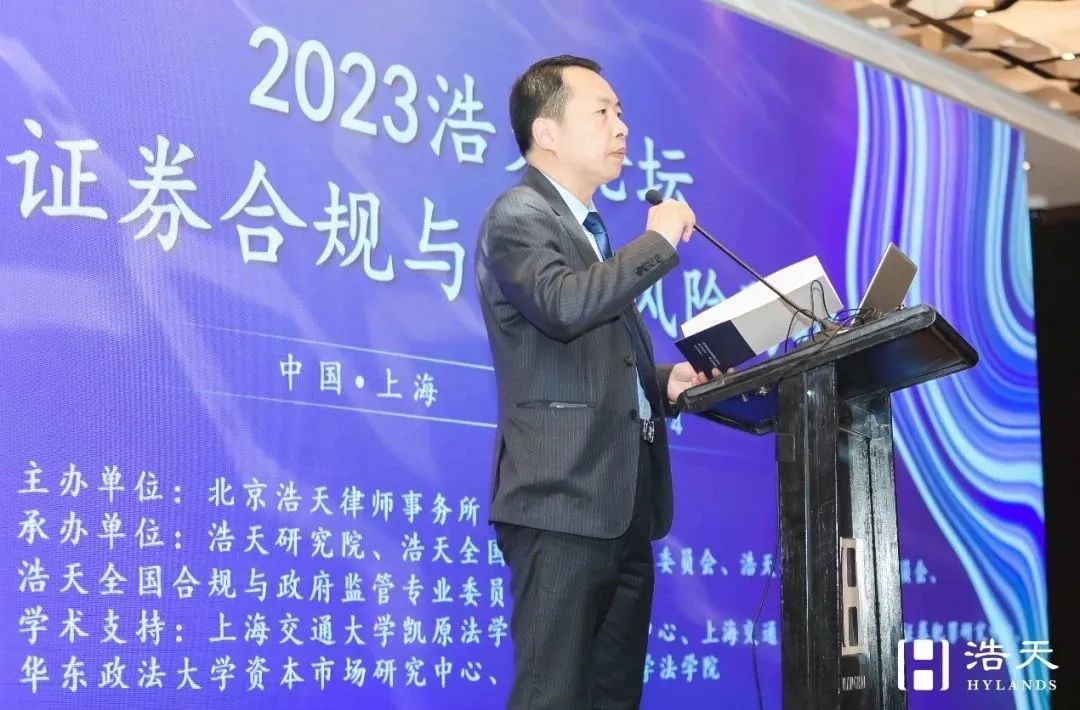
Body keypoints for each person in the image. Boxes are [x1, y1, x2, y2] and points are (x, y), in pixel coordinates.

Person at [474, 55, 720, 709]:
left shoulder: (588, 233)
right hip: (562, 501)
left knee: (612, 699)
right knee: (551, 696)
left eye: (621, 112)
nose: (622, 127)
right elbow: (562, 307)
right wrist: (657, 243)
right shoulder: (519, 214)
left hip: (622, 506)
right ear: (547, 132)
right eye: (603, 112)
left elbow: (596, 358)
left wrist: (664, 382)